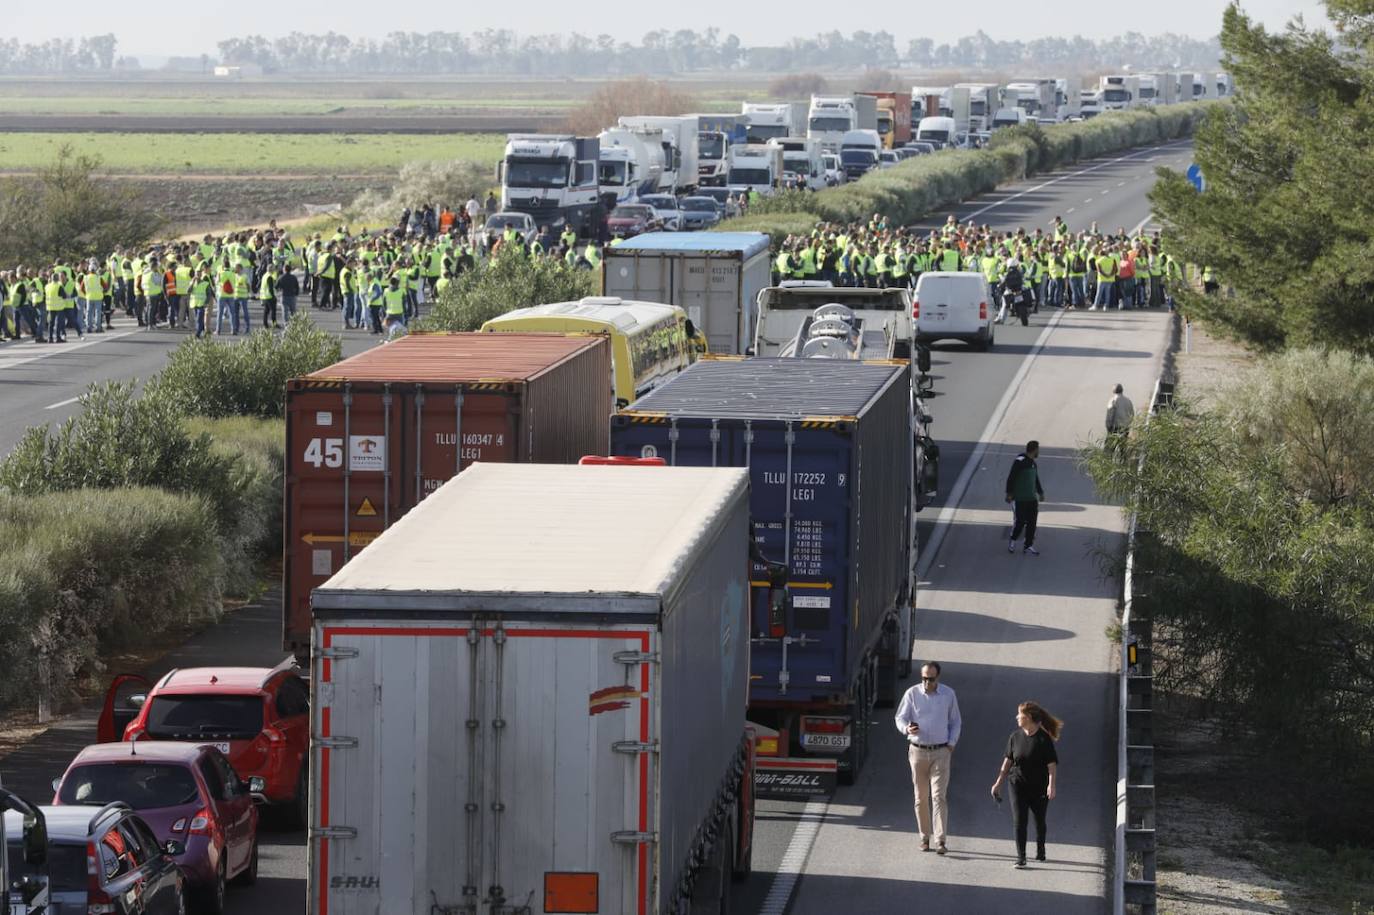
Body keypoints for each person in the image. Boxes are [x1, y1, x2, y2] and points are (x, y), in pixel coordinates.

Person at [893, 661, 962, 855]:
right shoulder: (912, 694)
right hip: (917, 751)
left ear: (937, 678)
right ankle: (924, 837)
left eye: (930, 679)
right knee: (920, 798)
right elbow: (900, 717)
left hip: (941, 752)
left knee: (938, 796)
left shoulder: (948, 694)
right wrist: (906, 728)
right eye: (923, 678)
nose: (926, 682)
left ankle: (940, 840)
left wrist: (951, 744)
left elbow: (956, 721)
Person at [989, 701, 1062, 868]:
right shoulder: (1015, 737)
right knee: (1019, 820)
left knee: (1039, 820)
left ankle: (1040, 849)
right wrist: (998, 783)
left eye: (1019, 715)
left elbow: (1051, 765)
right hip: (1017, 784)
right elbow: (1007, 762)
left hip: (1039, 786)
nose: (1017, 717)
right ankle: (1021, 857)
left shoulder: (1043, 739)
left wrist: (1052, 785)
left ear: (1028, 717)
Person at [1005, 440, 1045, 555]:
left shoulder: (1033, 463)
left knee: (1032, 522)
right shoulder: (1020, 461)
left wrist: (1040, 492)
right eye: (1038, 450)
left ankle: (1028, 545)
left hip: (1032, 498)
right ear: (1034, 450)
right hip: (1020, 498)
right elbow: (1011, 477)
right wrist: (1009, 493)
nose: (1039, 452)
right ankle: (1012, 540)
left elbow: (1035, 479)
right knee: (1020, 521)